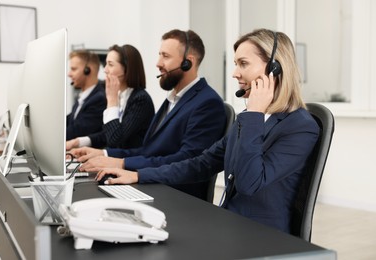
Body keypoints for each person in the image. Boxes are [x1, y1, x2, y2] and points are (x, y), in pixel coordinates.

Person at [93, 29, 320, 233]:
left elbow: (250, 184)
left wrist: (254, 114)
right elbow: (201, 163)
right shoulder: (246, 120)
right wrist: (138, 175)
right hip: (229, 223)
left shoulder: (300, 126)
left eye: (243, 63)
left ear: (274, 69)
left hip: (262, 236)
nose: (234, 73)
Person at [70, 29, 227, 200]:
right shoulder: (173, 100)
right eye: (159, 55)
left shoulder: (207, 103)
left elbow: (187, 161)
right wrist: (105, 155)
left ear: (187, 62)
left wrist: (122, 163)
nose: (158, 63)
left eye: (165, 56)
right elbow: (148, 151)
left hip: (176, 197)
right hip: (153, 186)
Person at [66, 44, 155, 150]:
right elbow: (107, 134)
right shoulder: (122, 96)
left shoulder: (140, 100)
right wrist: (79, 142)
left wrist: (112, 100)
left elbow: (115, 139)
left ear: (127, 69)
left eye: (110, 65)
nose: (105, 70)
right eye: (106, 64)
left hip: (132, 164)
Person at [66, 50, 107, 140]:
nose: (69, 74)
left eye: (73, 69)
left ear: (87, 70)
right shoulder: (84, 97)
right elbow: (70, 120)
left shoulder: (99, 99)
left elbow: (74, 133)